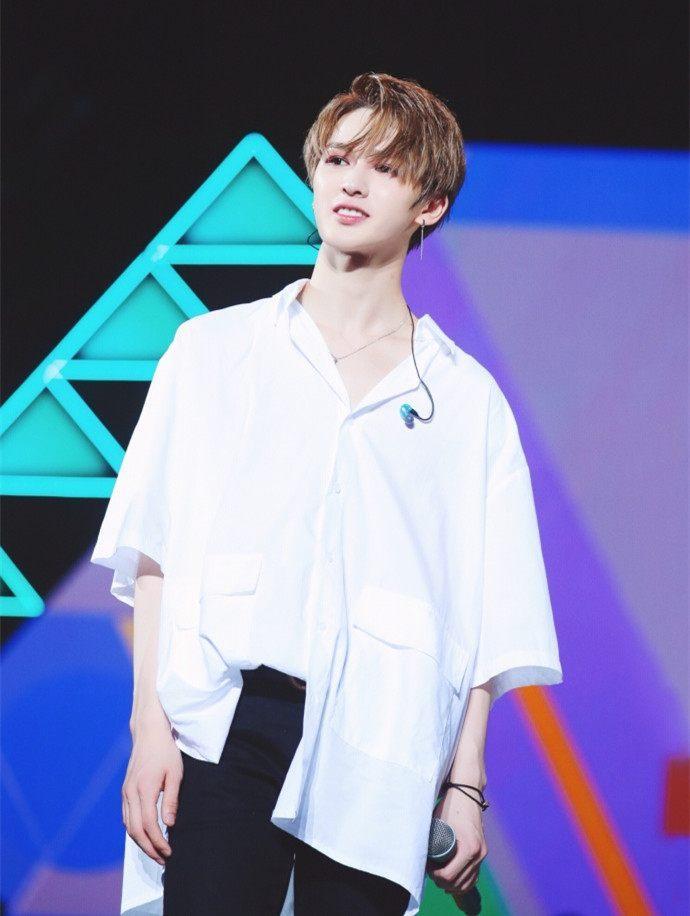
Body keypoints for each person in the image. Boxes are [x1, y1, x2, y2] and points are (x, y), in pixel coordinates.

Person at [91, 72, 563, 916]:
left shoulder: (466, 400)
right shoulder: (213, 350)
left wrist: (465, 785)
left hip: (381, 740)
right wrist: (150, 729)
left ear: (430, 205)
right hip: (225, 723)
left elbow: (484, 610)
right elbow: (155, 553)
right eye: (339, 159)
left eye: (384, 167)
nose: (352, 181)